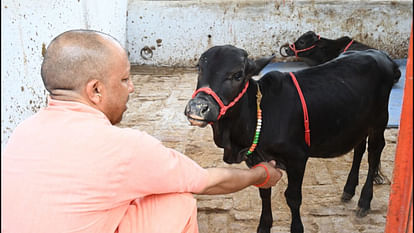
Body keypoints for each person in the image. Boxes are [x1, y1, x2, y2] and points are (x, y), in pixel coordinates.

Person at [1, 29, 283, 233]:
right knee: (178, 199)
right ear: (96, 90)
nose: (132, 87)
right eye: (124, 79)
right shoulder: (124, 148)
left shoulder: (23, 131)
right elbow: (205, 181)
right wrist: (260, 174)